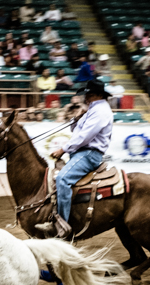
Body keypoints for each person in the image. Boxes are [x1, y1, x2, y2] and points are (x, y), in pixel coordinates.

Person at [44, 80, 113, 238]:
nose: (86, 96)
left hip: (89, 153)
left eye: (89, 93)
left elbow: (85, 136)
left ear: (99, 95)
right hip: (82, 153)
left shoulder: (101, 111)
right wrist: (77, 119)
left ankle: (62, 225)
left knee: (62, 179)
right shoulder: (93, 110)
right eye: (86, 93)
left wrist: (63, 149)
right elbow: (76, 130)